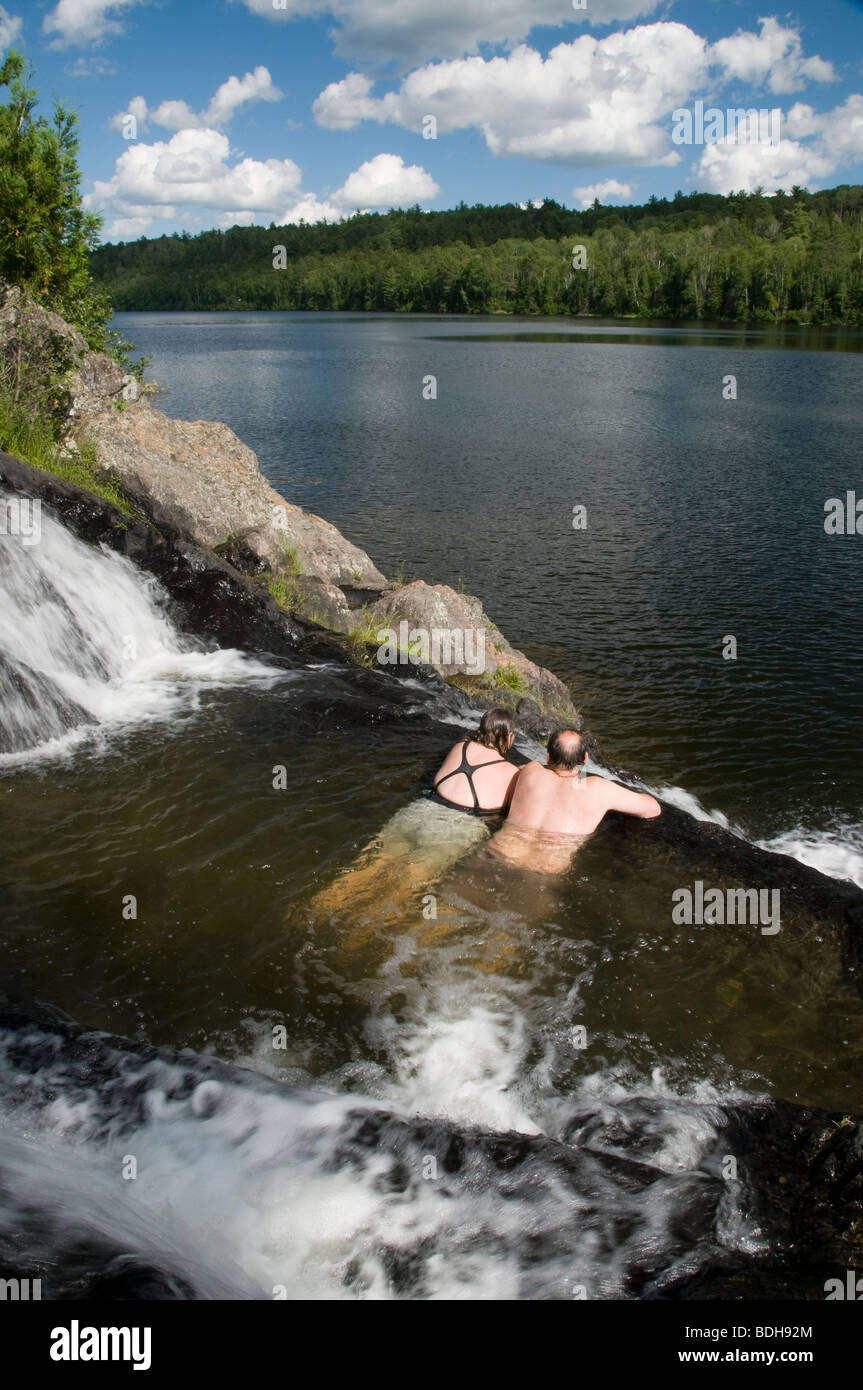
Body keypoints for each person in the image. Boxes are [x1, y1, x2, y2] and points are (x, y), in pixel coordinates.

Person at [489, 728, 661, 873]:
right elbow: (653, 808)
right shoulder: (599, 788)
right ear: (585, 758)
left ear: (548, 757)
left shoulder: (531, 770)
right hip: (546, 866)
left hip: (501, 850)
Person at [430, 707, 520, 815]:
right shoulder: (512, 772)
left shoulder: (461, 745)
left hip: (428, 804)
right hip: (466, 820)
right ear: (509, 736)